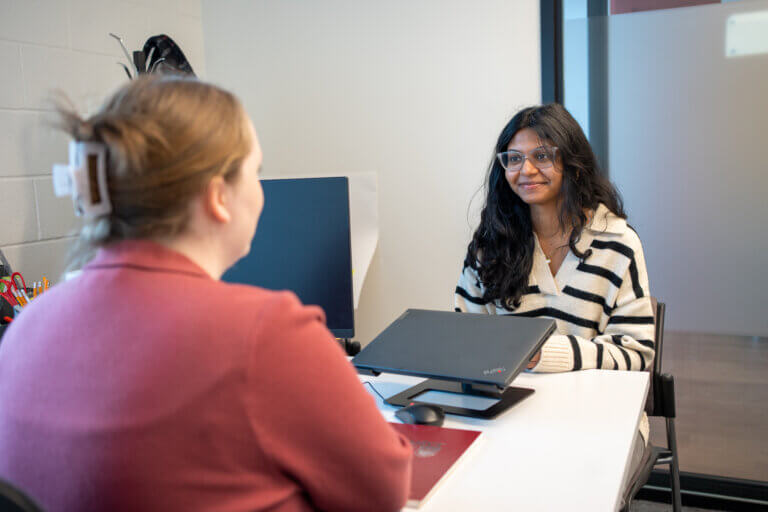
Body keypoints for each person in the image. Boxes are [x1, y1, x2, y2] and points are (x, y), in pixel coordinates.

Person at [0, 76, 411, 512]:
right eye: (256, 172)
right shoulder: (268, 333)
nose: (261, 192)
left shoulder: (26, 325)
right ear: (218, 197)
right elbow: (382, 493)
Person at [454, 104, 655, 504]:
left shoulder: (618, 242)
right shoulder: (490, 245)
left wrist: (547, 354)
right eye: (513, 158)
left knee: (572, 493)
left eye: (542, 156)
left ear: (574, 163)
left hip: (601, 419)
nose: (525, 170)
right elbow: (464, 337)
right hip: (513, 414)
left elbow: (638, 354)